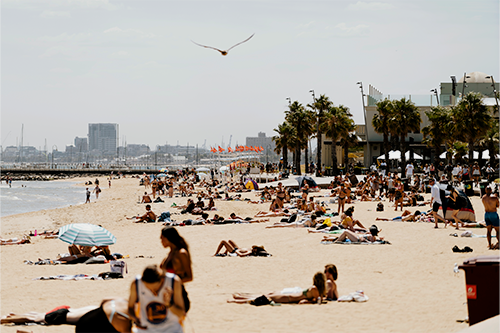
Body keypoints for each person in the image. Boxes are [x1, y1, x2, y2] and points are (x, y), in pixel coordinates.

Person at [1, 298, 132, 333]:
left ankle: (14, 315)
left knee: (40, 315)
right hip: (62, 315)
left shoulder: (104, 308)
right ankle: (9, 318)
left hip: (66, 310)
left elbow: (105, 300)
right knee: (36, 318)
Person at [128, 265, 185, 333]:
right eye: (148, 289)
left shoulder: (173, 282)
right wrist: (136, 320)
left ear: (162, 279)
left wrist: (169, 304)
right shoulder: (136, 284)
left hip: (171, 328)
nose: (153, 292)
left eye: (155, 289)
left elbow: (181, 313)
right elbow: (130, 308)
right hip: (146, 329)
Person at [228, 272, 326, 304]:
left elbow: (315, 300)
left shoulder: (314, 289)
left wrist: (306, 301)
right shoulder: (317, 290)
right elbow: (316, 299)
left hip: (289, 297)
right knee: (266, 296)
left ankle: (237, 300)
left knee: (265, 298)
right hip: (289, 296)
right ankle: (240, 297)